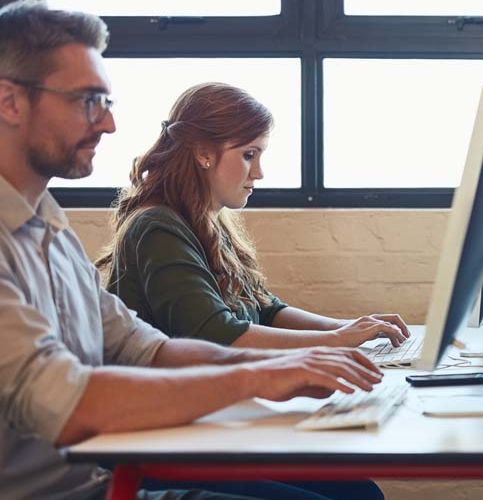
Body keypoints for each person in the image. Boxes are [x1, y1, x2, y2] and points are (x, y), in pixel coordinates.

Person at [0, 2, 385, 499]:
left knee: (358, 494)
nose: (108, 126)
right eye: (88, 100)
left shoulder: (47, 224)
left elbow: (147, 350)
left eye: (108, 103)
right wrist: (259, 378)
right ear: (9, 102)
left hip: (101, 480)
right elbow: (70, 403)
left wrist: (284, 367)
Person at [94, 82, 411, 350]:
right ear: (203, 153)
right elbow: (215, 334)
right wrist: (334, 339)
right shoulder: (157, 227)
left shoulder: (207, 220)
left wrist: (348, 328)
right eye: (248, 155)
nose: (258, 172)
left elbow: (266, 309)